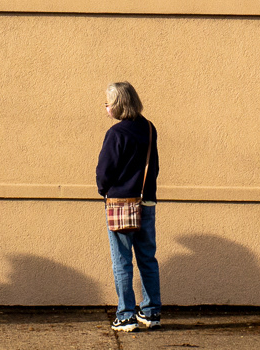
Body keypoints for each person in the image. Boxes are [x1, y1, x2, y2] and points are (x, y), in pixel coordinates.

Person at [97, 81, 161, 334]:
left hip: (122, 203)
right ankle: (151, 311)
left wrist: (105, 191)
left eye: (108, 102)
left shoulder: (116, 134)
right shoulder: (149, 128)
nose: (106, 106)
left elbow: (104, 172)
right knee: (147, 258)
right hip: (146, 200)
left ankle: (125, 316)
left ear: (118, 105)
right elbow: (154, 167)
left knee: (122, 261)